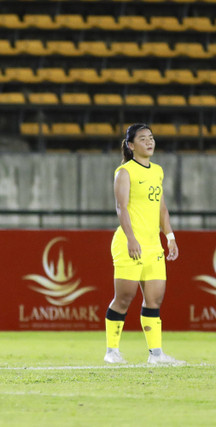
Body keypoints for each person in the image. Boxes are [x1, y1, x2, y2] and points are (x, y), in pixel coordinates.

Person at [104, 123, 184, 365]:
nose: (150, 142)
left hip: (153, 246)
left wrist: (169, 237)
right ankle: (112, 351)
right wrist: (131, 238)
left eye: (151, 137)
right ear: (130, 145)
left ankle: (156, 355)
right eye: (143, 138)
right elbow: (121, 208)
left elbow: (161, 207)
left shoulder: (157, 171)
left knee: (154, 300)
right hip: (130, 243)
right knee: (124, 298)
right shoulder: (125, 172)